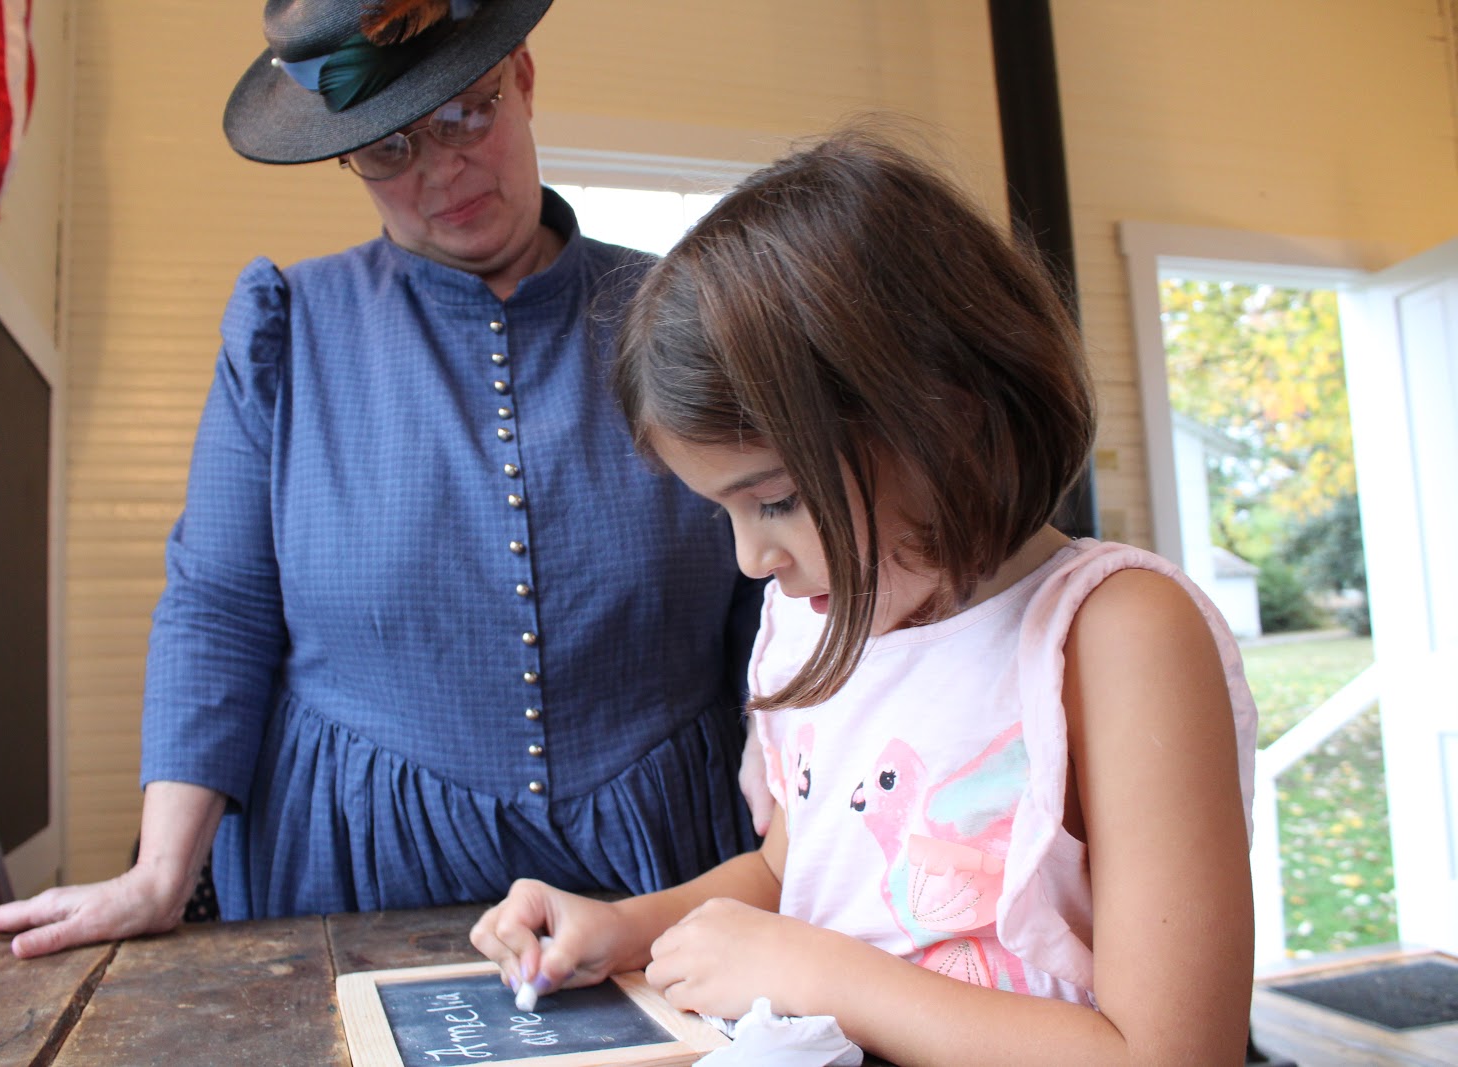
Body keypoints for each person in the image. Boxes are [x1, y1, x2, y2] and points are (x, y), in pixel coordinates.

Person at [0, 0, 759, 958]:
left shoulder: (688, 316)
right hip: (357, 870)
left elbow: (784, 592)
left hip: (665, 865)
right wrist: (161, 871)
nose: (440, 170)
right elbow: (219, 608)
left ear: (525, 77)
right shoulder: (286, 329)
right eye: (387, 147)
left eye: (466, 112)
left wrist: (801, 785)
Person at [469, 123, 1260, 1065]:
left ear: (944, 417)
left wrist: (822, 974)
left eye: (776, 500)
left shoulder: (1116, 636)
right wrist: (626, 926)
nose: (750, 559)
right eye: (726, 512)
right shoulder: (808, 625)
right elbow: (791, 870)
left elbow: (1173, 1052)